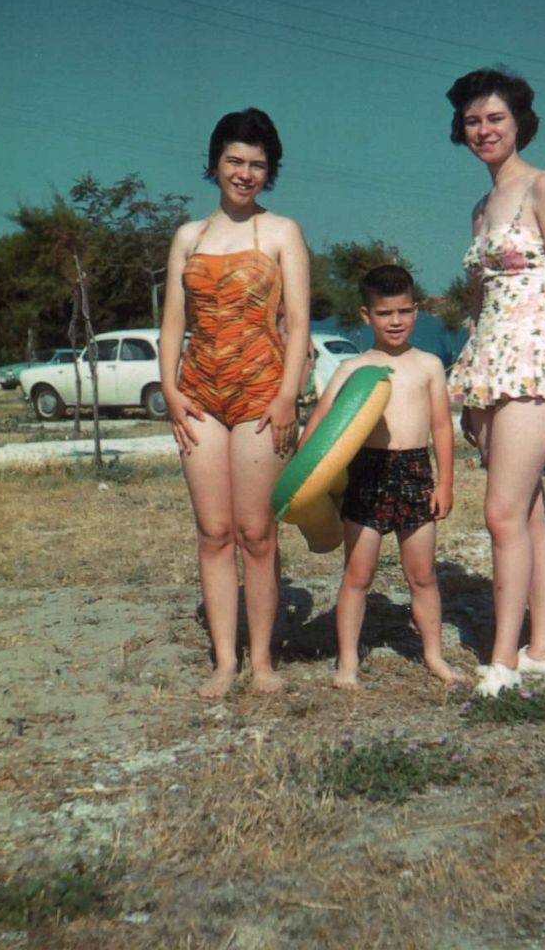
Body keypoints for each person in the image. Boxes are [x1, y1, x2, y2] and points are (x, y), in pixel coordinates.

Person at [445, 68, 545, 696]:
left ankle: (502, 662)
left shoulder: (544, 186)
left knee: (502, 513)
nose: (483, 130)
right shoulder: (481, 207)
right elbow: (479, 301)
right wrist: (466, 366)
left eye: (495, 119)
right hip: (489, 364)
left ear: (519, 124)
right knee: (529, 511)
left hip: (536, 362)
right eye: (473, 121)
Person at [159, 108, 310, 699]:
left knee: (256, 532)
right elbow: (174, 324)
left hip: (260, 395)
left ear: (269, 171)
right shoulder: (188, 238)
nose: (245, 174)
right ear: (215, 162)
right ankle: (224, 662)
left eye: (257, 164)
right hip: (198, 394)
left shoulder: (282, 233)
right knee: (213, 531)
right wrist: (170, 390)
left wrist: (287, 396)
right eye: (235, 161)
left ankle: (264, 661)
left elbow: (298, 324)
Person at [300, 265, 461, 689]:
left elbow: (442, 427)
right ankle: (348, 663)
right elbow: (320, 420)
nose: (396, 321)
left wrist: (445, 482)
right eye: (385, 313)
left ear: (417, 311)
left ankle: (434, 656)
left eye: (404, 312)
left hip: (415, 473)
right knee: (358, 575)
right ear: (366, 315)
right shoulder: (352, 367)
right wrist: (299, 472)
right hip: (366, 475)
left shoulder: (428, 365)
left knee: (422, 575)